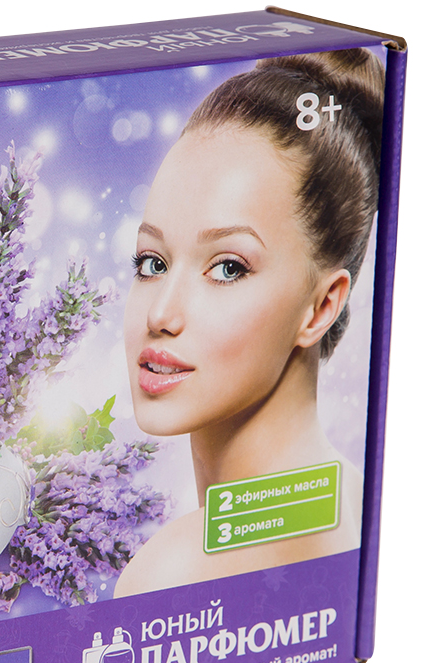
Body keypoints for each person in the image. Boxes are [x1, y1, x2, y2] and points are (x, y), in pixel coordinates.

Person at [114, 49, 385, 597]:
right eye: (152, 263)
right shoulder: (356, 504)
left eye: (228, 268)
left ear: (321, 307)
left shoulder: (175, 574)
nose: (160, 315)